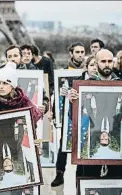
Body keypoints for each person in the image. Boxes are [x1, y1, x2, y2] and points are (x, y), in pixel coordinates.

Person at [0, 62, 44, 194]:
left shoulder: (23, 102)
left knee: (17, 187)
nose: (1, 86)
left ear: (12, 85)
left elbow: (33, 122)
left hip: (17, 147)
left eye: (5, 83)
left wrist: (36, 141)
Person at [68, 49, 122, 178]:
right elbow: (74, 117)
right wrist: (72, 102)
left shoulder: (119, 84)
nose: (107, 64)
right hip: (91, 139)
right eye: (103, 61)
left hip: (117, 141)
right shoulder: (84, 87)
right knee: (90, 182)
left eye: (110, 61)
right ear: (96, 64)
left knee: (115, 184)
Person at [51, 42, 86, 187]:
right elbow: (57, 95)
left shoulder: (88, 72)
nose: (80, 55)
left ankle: (81, 173)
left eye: (82, 52)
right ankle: (60, 173)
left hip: (83, 113)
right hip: (67, 113)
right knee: (63, 144)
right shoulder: (63, 73)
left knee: (83, 142)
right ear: (71, 53)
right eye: (77, 52)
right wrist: (55, 113)